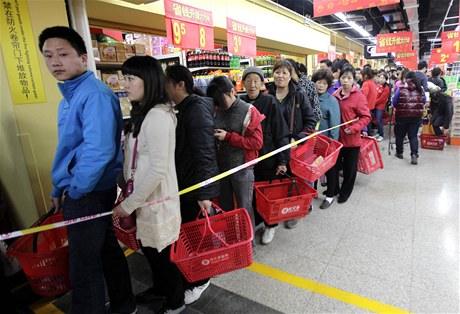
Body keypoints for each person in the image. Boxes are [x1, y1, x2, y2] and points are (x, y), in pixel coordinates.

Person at [38, 26, 136, 313]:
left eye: (63, 54)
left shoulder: (93, 95)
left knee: (83, 267)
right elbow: (69, 149)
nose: (55, 62)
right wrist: (59, 187)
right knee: (105, 251)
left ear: (83, 58)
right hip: (83, 189)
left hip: (90, 191)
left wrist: (76, 191)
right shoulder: (69, 97)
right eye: (48, 56)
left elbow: (99, 152)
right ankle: (124, 304)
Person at [112, 56, 183, 314]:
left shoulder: (158, 116)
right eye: (125, 78)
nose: (125, 84)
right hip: (145, 202)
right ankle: (160, 290)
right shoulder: (145, 112)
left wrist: (128, 205)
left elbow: (156, 170)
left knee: (163, 258)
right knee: (152, 254)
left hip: (156, 203)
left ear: (149, 81)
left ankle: (175, 303)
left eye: (131, 79)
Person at [164, 65, 220, 305]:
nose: (163, 88)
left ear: (180, 84)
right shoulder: (182, 109)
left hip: (194, 188)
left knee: (197, 235)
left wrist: (204, 193)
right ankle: (193, 274)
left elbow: (205, 153)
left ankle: (201, 280)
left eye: (166, 83)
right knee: (188, 233)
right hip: (184, 184)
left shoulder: (196, 109)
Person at [206, 76, 264, 239]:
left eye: (221, 100)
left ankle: (248, 242)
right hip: (221, 168)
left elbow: (257, 142)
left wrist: (229, 137)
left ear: (232, 91)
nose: (219, 105)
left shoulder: (249, 111)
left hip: (242, 168)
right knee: (225, 207)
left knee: (245, 207)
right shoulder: (217, 107)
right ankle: (232, 240)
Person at [240, 66, 290, 245]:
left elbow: (281, 133)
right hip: (247, 160)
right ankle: (257, 222)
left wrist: (283, 160)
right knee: (252, 195)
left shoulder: (270, 102)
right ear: (243, 83)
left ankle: (271, 225)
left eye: (256, 81)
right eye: (248, 81)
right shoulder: (240, 102)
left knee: (268, 194)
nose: (252, 85)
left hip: (267, 158)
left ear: (262, 84)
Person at [266, 60, 316, 228]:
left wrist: (299, 138)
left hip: (294, 147)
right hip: (273, 147)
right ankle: (275, 215)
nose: (280, 76)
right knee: (276, 181)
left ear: (290, 75)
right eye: (277, 72)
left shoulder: (299, 94)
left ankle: (294, 211)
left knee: (295, 180)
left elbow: (311, 120)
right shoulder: (266, 94)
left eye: (284, 73)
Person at [332, 65, 371, 203]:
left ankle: (345, 192)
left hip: (351, 140)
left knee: (349, 169)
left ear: (354, 80)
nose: (345, 81)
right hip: (336, 139)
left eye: (349, 78)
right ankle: (334, 189)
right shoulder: (335, 95)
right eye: (343, 77)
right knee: (334, 166)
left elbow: (366, 117)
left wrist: (354, 128)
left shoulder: (359, 97)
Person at [311, 69, 340, 209]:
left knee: (329, 169)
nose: (321, 85)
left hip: (326, 142)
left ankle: (330, 196)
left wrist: (332, 144)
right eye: (318, 82)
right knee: (313, 168)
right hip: (311, 142)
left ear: (328, 85)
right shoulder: (309, 97)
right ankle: (313, 191)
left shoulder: (331, 101)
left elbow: (335, 125)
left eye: (324, 83)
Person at [392, 71, 426, 165]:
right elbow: (424, 102)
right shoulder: (420, 89)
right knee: (413, 136)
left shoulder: (400, 89)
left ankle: (399, 153)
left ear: (406, 79)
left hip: (402, 115)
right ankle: (414, 155)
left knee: (400, 135)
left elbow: (394, 103)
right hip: (416, 117)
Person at [286, 59, 322, 124]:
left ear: (292, 69)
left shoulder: (308, 85)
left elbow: (316, 111)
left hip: (306, 125)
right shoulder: (286, 85)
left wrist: (309, 125)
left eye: (285, 71)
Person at [374, 73, 391, 142]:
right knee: (376, 120)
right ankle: (378, 132)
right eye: (380, 77)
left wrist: (374, 102)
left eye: (383, 78)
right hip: (375, 105)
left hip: (380, 107)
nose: (381, 79)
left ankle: (381, 135)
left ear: (386, 80)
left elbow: (382, 99)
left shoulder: (386, 88)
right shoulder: (377, 85)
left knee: (379, 120)